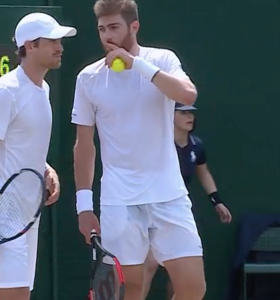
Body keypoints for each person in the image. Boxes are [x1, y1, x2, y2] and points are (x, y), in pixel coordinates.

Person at [71, 0, 205, 300]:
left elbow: (188, 93)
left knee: (194, 287)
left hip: (169, 196)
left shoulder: (163, 60)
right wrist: (84, 206)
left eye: (115, 27)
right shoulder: (88, 78)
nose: (108, 36)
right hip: (120, 200)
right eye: (102, 29)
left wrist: (138, 66)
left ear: (134, 27)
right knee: (128, 290)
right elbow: (84, 145)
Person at [0, 12, 75, 300]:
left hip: (27, 213)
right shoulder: (5, 91)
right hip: (0, 215)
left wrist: (46, 169)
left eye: (60, 40)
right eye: (52, 41)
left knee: (15, 294)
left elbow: (19, 143)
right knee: (14, 294)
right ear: (30, 46)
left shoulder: (43, 90)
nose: (59, 47)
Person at [142, 103, 233, 300]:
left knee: (180, 268)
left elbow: (203, 173)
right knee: (149, 264)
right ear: (170, 115)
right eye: (183, 113)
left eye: (191, 113)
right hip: (152, 209)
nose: (189, 117)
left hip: (179, 211)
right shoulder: (157, 145)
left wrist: (217, 201)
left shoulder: (196, 146)